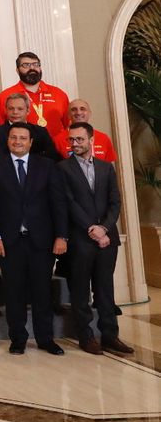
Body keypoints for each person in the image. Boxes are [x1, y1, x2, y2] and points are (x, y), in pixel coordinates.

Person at [0, 123, 68, 355]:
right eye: (13, 138)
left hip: (42, 241)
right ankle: (18, 338)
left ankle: (45, 339)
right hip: (9, 241)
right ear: (7, 140)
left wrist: (62, 236)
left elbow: (58, 204)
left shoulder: (48, 166)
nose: (18, 141)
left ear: (31, 142)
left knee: (42, 292)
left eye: (22, 138)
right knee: (14, 292)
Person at [59, 122, 133, 355]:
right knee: (81, 290)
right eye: (71, 140)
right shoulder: (63, 168)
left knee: (105, 289)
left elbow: (115, 202)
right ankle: (86, 335)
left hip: (107, 239)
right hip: (80, 238)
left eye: (79, 139)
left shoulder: (105, 168)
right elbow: (68, 203)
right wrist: (91, 227)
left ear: (91, 141)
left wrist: (104, 228)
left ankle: (110, 335)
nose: (75, 144)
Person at [0, 52, 70, 145]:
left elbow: (68, 126)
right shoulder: (5, 96)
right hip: (21, 151)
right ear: (17, 70)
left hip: (55, 151)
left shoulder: (59, 94)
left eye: (36, 64)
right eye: (26, 65)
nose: (32, 68)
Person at [0, 94, 61, 161]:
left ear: (28, 111)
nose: (15, 112)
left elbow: (52, 157)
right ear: (6, 110)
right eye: (11, 108)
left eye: (20, 109)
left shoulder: (40, 132)